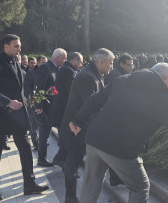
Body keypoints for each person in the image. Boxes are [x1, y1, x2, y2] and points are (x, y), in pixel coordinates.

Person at [69, 62, 168, 203]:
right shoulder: (163, 98)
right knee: (140, 187)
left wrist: (78, 121)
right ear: (164, 78)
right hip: (120, 148)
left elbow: (95, 99)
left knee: (91, 184)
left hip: (95, 139)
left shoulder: (123, 80)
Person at [0, 34, 49, 201]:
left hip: (18, 116)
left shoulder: (16, 61)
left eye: (20, 46)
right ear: (6, 46)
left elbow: (18, 88)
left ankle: (29, 184)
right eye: (16, 46)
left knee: (26, 149)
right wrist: (7, 102)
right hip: (0, 116)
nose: (20, 49)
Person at [59, 48, 114, 203]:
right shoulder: (87, 77)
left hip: (81, 127)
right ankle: (70, 197)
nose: (111, 66)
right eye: (110, 63)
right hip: (76, 128)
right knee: (72, 163)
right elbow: (91, 105)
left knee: (74, 161)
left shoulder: (94, 74)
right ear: (102, 62)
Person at [104, 53, 134, 186]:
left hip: (115, 115)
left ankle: (116, 178)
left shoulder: (118, 73)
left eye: (132, 64)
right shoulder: (117, 75)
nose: (131, 67)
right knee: (116, 151)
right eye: (129, 65)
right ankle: (115, 178)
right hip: (115, 116)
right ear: (121, 64)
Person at [51, 52, 84, 168]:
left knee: (67, 137)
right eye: (80, 62)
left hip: (62, 109)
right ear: (75, 60)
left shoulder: (66, 69)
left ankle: (61, 159)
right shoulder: (68, 71)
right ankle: (63, 161)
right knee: (69, 137)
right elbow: (73, 91)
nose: (81, 65)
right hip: (64, 110)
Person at [35, 48, 67, 167]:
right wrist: (39, 106)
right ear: (58, 57)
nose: (65, 61)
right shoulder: (45, 68)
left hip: (56, 109)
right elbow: (39, 88)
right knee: (44, 136)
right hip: (46, 109)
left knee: (62, 134)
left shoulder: (56, 68)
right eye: (64, 58)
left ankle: (60, 158)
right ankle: (41, 159)